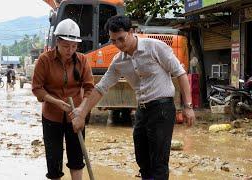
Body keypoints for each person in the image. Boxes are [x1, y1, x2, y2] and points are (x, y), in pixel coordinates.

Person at [69, 15, 196, 180]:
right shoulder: (118, 61)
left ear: (131, 31)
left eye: (121, 39)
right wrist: (82, 112)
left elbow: (180, 73)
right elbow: (101, 88)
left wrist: (188, 106)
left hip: (162, 109)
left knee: (158, 161)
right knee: (142, 158)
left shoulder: (155, 47)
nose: (119, 45)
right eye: (114, 41)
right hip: (142, 110)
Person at [31, 18, 94, 180]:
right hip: (52, 116)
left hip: (76, 116)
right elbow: (37, 88)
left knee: (77, 159)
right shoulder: (45, 60)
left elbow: (89, 88)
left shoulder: (82, 60)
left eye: (74, 46)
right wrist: (57, 102)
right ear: (57, 42)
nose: (70, 50)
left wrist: (82, 111)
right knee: (54, 161)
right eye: (66, 46)